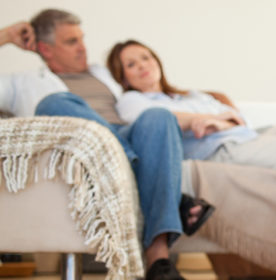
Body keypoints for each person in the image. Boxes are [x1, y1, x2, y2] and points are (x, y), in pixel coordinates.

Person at [0, 9, 213, 280]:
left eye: (82, 39)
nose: (83, 48)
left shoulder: (103, 73)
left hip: (127, 137)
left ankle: (159, 263)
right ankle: (147, 179)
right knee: (54, 103)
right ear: (45, 49)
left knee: (158, 116)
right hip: (84, 146)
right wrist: (6, 36)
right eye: (71, 42)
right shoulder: (23, 83)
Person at [107, 39, 276, 227]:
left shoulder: (191, 95)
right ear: (123, 77)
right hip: (224, 150)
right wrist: (207, 119)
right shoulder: (132, 100)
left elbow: (237, 119)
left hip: (251, 136)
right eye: (131, 64)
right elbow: (156, 123)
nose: (143, 65)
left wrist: (218, 121)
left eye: (146, 57)